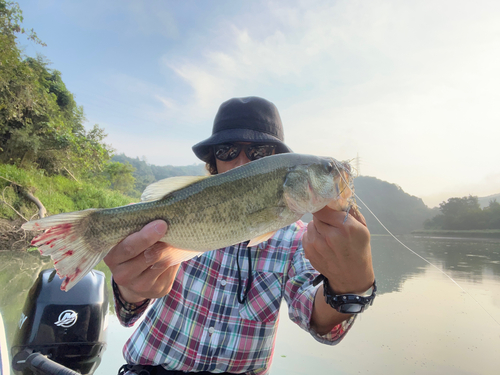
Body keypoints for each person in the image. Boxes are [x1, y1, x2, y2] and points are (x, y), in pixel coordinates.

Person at [105, 97, 374, 375]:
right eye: (227, 150)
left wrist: (350, 287)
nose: (242, 161)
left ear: (277, 163)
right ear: (214, 161)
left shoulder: (299, 241)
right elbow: (127, 314)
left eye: (259, 151)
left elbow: (317, 319)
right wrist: (131, 289)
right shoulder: (169, 219)